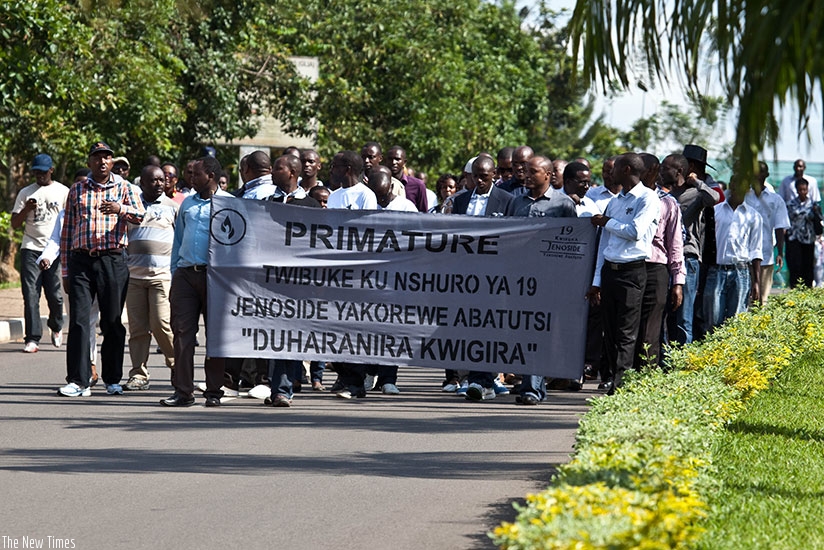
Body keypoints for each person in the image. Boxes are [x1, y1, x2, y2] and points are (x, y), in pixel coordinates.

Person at [57, 141, 145, 398]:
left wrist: (121, 209)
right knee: (80, 321)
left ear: (112, 161)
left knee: (112, 321)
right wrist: (65, 270)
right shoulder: (77, 190)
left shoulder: (125, 187)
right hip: (81, 261)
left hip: (113, 260)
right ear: (89, 162)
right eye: (97, 158)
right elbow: (67, 232)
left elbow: (140, 215)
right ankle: (78, 380)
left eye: (106, 157)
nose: (102, 162)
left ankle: (112, 379)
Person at [504, 156, 577, 405]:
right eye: (525, 171)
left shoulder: (563, 205)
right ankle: (532, 385)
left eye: (533, 172)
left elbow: (572, 243)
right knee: (522, 332)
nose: (526, 175)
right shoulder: (516, 202)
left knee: (539, 332)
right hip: (519, 279)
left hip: (549, 280)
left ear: (547, 175)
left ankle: (532, 388)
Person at [586, 152, 660, 394]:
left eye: (615, 167)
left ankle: (621, 387)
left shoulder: (648, 198)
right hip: (610, 270)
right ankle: (615, 381)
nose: (610, 171)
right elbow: (604, 245)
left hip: (632, 272)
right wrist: (596, 281)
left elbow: (636, 231)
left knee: (626, 332)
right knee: (610, 332)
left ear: (627, 170)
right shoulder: (615, 201)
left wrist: (607, 222)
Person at [161, 156, 231, 407]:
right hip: (186, 275)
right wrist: (174, 272)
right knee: (182, 334)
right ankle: (183, 392)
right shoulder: (187, 203)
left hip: (217, 278)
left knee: (216, 336)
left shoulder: (230, 204)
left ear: (211, 176)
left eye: (197, 175)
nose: (192, 179)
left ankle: (213, 392)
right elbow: (178, 239)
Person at [452, 155, 513, 401]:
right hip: (467, 277)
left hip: (495, 278)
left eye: (484, 176)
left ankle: (484, 380)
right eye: (475, 176)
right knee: (469, 327)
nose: (479, 181)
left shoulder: (507, 201)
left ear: (494, 175)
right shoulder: (460, 200)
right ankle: (473, 378)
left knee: (490, 328)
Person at [264, 155, 321, 407]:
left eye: (278, 168)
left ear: (292, 173)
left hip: (299, 281)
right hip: (269, 278)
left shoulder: (311, 206)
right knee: (273, 334)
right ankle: (277, 387)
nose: (272, 171)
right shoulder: (266, 203)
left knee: (291, 334)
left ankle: (286, 386)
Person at [326, 151, 379, 399]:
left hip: (358, 272)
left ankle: (357, 383)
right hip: (335, 271)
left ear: (347, 168)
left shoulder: (366, 195)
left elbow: (368, 232)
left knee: (355, 327)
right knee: (336, 326)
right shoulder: (334, 196)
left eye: (335, 165)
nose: (331, 169)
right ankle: (343, 376)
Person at [123, 165, 178, 391]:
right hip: (134, 276)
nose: (159, 184)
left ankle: (178, 364)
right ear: (142, 183)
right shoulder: (130, 207)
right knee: (137, 329)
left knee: (161, 324)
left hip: (162, 276)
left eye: (161, 180)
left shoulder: (173, 208)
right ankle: (139, 374)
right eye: (153, 181)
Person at [11, 153, 68, 353]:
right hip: (31, 248)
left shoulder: (63, 192)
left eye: (43, 172)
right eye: (36, 172)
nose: (40, 175)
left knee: (54, 294)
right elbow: (14, 224)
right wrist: (26, 209)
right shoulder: (25, 193)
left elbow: (68, 222)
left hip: (54, 250)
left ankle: (56, 325)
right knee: (31, 294)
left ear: (51, 170)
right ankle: (33, 338)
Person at [635, 153, 685, 369]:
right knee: (628, 326)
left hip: (656, 269)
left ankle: (646, 374)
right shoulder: (625, 200)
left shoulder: (667, 203)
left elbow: (675, 245)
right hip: (630, 267)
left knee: (651, 328)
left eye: (638, 168)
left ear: (651, 172)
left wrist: (677, 282)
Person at [666, 150, 720, 344]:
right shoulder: (667, 194)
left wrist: (697, 181)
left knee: (684, 315)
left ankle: (684, 361)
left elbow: (714, 198)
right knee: (668, 314)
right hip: (667, 258)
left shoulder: (697, 193)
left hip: (688, 256)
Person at [703, 182, 762, 331]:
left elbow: (756, 250)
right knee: (713, 320)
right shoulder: (715, 211)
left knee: (736, 322)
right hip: (716, 270)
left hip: (740, 272)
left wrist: (756, 282)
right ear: (731, 187)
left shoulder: (753, 216)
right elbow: (706, 244)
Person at [745, 162, 790, 303]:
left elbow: (779, 227)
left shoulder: (775, 200)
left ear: (766, 175)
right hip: (743, 255)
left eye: (761, 172)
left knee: (762, 300)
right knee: (745, 300)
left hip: (765, 254)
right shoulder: (744, 197)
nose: (758, 176)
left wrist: (781, 253)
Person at [785, 178, 819, 288]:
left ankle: (808, 290)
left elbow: (819, 219)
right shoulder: (790, 205)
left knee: (808, 267)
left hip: (808, 240)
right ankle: (794, 290)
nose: (802, 192)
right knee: (795, 266)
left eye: (804, 189)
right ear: (797, 190)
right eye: (800, 189)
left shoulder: (813, 205)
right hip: (794, 239)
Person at [385, 146, 428, 212]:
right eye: (390, 159)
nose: (393, 162)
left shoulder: (418, 185)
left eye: (397, 159)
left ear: (404, 162)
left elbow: (424, 214)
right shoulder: (380, 184)